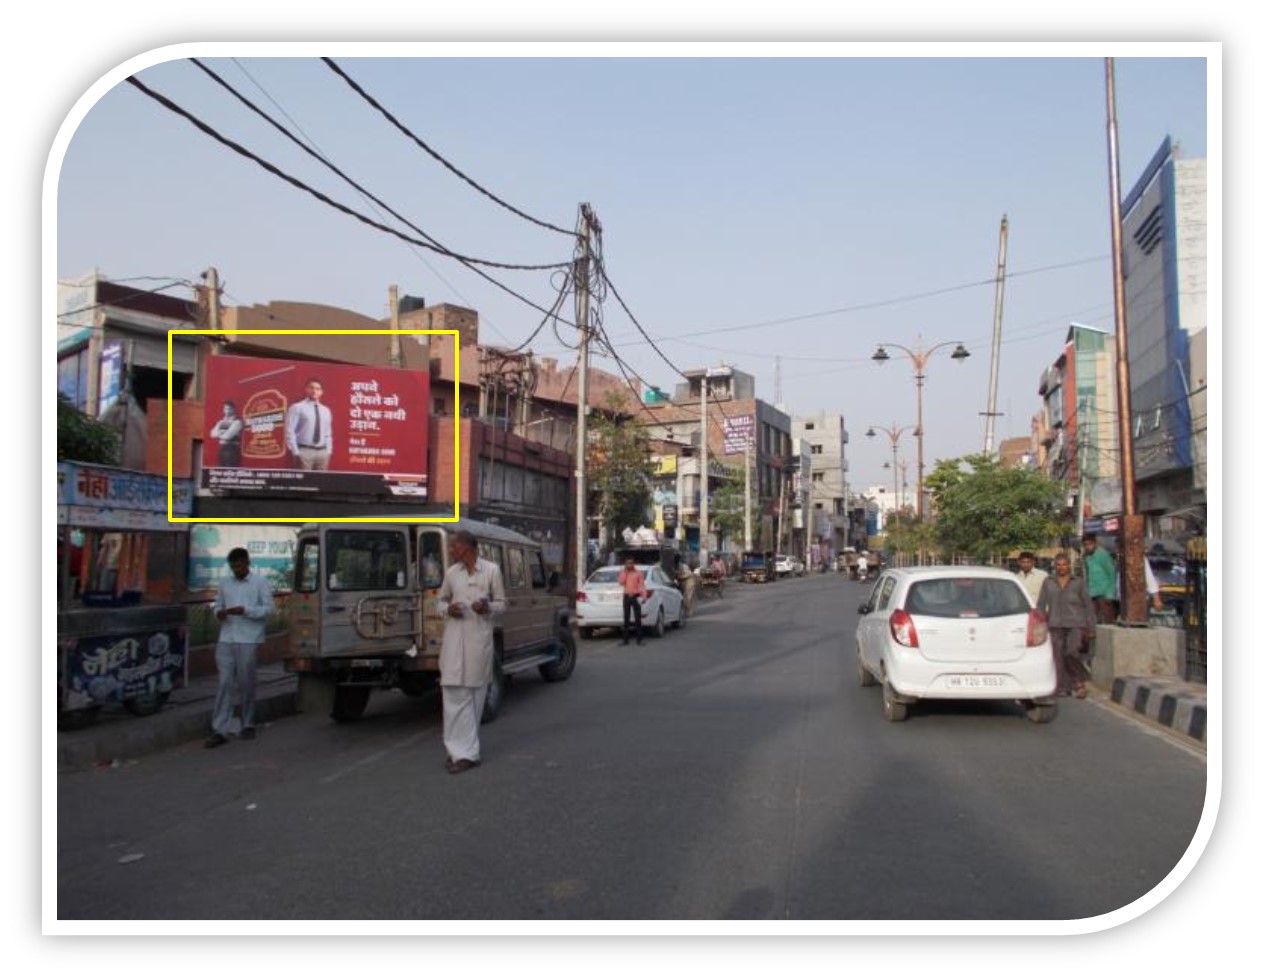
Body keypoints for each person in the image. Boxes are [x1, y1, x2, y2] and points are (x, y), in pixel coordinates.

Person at [435, 530, 506, 775]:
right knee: (453, 695)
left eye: (455, 547)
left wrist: (486, 607)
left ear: (467, 548)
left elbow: (502, 604)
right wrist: (448, 609)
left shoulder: (491, 571)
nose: (452, 551)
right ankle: (455, 751)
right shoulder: (452, 573)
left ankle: (468, 753)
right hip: (454, 642)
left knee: (474, 697)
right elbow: (440, 602)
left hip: (478, 642)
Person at [206, 547, 274, 747]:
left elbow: (269, 609)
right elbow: (217, 605)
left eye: (239, 566)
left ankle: (248, 724)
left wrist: (246, 610)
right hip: (227, 637)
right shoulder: (225, 583)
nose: (236, 570)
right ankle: (219, 728)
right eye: (233, 567)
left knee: (246, 683)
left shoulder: (260, 583)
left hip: (249, 637)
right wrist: (219, 612)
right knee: (225, 683)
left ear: (247, 563)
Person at [1037, 552, 1096, 699]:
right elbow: (1041, 604)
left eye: (1064, 564)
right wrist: (1039, 625)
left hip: (1075, 623)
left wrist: (1091, 628)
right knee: (1057, 656)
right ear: (1055, 566)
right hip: (1055, 623)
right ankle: (1062, 687)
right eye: (1058, 565)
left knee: (1071, 652)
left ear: (1069, 566)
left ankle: (1079, 681)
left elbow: (1088, 606)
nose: (1061, 567)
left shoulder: (1078, 582)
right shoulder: (1048, 582)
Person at [285, 377, 333, 471]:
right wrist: (296, 452)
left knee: (321, 483)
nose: (314, 391)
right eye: (311, 387)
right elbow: (289, 431)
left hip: (322, 453)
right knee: (304, 483)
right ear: (306, 389)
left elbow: (328, 434)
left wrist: (328, 452)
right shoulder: (297, 407)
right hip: (304, 451)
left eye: (317, 389)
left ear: (321, 392)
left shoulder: (326, 410)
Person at [1081, 533, 1118, 623]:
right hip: (1091, 593)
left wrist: (1110, 594)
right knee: (1092, 621)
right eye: (1085, 545)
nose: (1088, 547)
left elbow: (1112, 574)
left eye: (1090, 544)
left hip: (1104, 593)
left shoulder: (1103, 554)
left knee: (1108, 621)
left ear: (1095, 543)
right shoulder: (1086, 556)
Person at [618, 556, 648, 646]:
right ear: (625, 564)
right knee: (626, 619)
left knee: (637, 618)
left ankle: (640, 640)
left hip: (636, 596)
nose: (629, 565)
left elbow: (641, 585)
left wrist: (644, 596)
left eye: (631, 563)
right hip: (626, 596)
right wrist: (625, 573)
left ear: (633, 564)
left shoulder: (638, 573)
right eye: (628, 563)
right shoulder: (623, 573)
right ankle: (625, 640)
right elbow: (621, 582)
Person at [210, 400, 243, 468]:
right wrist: (221, 433)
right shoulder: (221, 422)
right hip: (222, 448)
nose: (227, 411)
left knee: (231, 470)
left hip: (232, 449)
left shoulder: (237, 421)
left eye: (229, 409)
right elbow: (212, 434)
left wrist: (219, 433)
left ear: (233, 409)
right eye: (225, 408)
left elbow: (228, 436)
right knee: (221, 470)